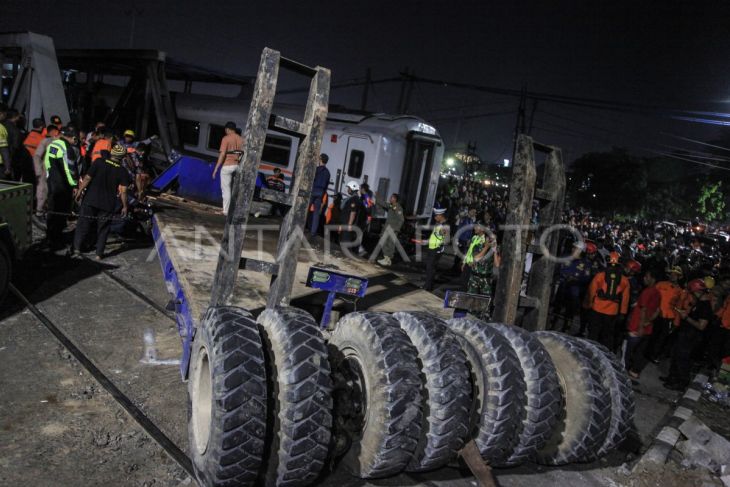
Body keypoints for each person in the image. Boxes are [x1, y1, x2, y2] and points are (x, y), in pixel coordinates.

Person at [71, 144, 130, 259]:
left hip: (90, 200)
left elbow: (87, 178)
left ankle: (77, 249)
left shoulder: (99, 162)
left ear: (111, 153)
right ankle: (99, 254)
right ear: (122, 158)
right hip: (108, 204)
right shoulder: (122, 171)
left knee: (83, 224)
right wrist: (125, 206)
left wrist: (79, 191)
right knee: (103, 229)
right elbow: (123, 191)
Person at [662, 278, 711, 390]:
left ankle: (681, 383)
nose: (691, 295)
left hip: (691, 338)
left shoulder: (705, 306)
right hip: (685, 334)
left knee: (682, 360)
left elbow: (701, 326)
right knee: (675, 355)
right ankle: (672, 378)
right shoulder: (699, 302)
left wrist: (686, 317)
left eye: (692, 293)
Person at [586, 251, 630, 351]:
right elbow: (625, 298)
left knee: (593, 333)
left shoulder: (600, 276)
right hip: (612, 312)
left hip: (597, 309)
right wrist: (623, 313)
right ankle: (605, 355)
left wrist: (588, 305)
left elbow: (591, 291)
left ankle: (588, 352)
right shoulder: (624, 280)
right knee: (607, 336)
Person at [44, 126, 79, 249]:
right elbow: (70, 169)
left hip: (52, 183)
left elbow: (47, 163)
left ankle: (50, 237)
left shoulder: (53, 145)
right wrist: (74, 184)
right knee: (61, 213)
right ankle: (57, 239)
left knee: (52, 212)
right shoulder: (67, 148)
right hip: (63, 186)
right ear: (73, 137)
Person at [625, 269, 661, 380]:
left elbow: (643, 310)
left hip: (637, 327)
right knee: (640, 351)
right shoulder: (657, 293)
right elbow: (657, 310)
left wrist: (640, 326)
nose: (644, 278)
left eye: (647, 276)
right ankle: (635, 372)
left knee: (627, 350)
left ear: (653, 279)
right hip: (648, 329)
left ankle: (624, 370)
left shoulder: (647, 292)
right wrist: (648, 322)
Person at [648, 266, 684, 363]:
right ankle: (646, 352)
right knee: (650, 334)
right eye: (672, 274)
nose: (673, 276)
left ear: (679, 277)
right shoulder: (660, 284)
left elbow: (679, 307)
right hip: (655, 313)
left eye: (676, 275)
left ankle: (654, 355)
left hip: (668, 317)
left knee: (662, 338)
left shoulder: (680, 291)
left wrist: (676, 323)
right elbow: (651, 295)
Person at [212, 121, 243, 215]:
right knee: (235, 189)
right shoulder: (242, 139)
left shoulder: (226, 138)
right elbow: (243, 153)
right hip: (237, 166)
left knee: (226, 189)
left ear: (228, 129)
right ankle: (234, 210)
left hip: (227, 166)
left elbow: (222, 154)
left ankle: (226, 211)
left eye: (225, 129)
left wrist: (216, 168)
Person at [32, 125, 61, 216]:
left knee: (49, 192)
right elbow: (37, 156)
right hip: (44, 171)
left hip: (52, 172)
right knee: (42, 191)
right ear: (54, 132)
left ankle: (44, 211)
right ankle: (39, 212)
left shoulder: (53, 142)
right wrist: (38, 171)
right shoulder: (46, 141)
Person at [420, 208, 450, 292]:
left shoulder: (445, 225)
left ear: (440, 215)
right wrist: (426, 242)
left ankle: (428, 287)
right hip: (432, 248)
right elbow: (434, 236)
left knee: (430, 267)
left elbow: (446, 240)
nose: (435, 217)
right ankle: (428, 285)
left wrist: (439, 245)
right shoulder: (438, 224)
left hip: (436, 249)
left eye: (436, 216)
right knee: (429, 267)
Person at [464, 222, 497, 297]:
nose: (492, 239)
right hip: (474, 278)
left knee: (485, 301)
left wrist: (495, 251)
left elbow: (497, 263)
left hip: (486, 280)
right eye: (490, 237)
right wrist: (486, 247)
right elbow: (476, 258)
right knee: (471, 298)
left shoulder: (494, 248)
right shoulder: (478, 245)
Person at [375, 193, 405, 266]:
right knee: (384, 241)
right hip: (388, 228)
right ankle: (386, 259)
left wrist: (396, 229)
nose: (390, 199)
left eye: (391, 198)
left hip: (393, 229)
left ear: (395, 199)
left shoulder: (398, 208)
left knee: (390, 244)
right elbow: (384, 204)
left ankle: (388, 260)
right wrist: (377, 197)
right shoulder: (392, 206)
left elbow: (401, 220)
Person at [338, 181, 365, 250]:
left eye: (349, 188)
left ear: (353, 189)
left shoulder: (354, 200)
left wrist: (349, 225)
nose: (348, 190)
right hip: (345, 223)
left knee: (346, 242)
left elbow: (353, 213)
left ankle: (346, 258)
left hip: (347, 224)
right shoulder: (351, 198)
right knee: (343, 242)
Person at [309, 153, 330, 237]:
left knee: (306, 209)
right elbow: (326, 186)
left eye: (319, 158)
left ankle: (300, 226)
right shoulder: (328, 173)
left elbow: (311, 180)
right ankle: (313, 232)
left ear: (320, 160)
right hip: (321, 193)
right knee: (316, 213)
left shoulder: (316, 170)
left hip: (313, 191)